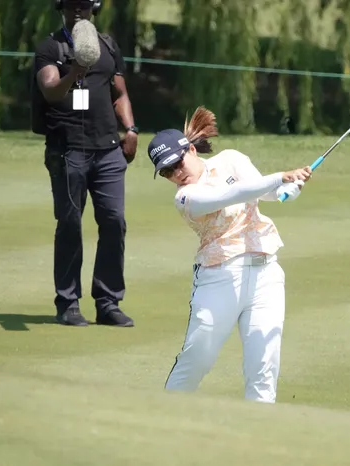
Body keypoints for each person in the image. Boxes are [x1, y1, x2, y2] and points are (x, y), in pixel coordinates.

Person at [146, 106, 312, 403]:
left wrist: (290, 187)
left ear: (191, 150)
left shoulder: (231, 160)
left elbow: (267, 193)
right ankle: (165, 415)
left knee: (264, 365)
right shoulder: (185, 197)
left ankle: (257, 429)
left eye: (177, 163)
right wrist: (280, 177)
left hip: (266, 275)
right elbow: (230, 195)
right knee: (197, 359)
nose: (177, 173)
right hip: (219, 279)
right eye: (168, 171)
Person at [32, 0, 138, 327]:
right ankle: (68, 303)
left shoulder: (107, 45)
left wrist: (131, 129)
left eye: (83, 4)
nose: (77, 10)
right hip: (68, 150)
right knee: (70, 225)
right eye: (71, 4)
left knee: (114, 222)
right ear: (61, 8)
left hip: (108, 151)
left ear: (94, 7)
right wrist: (76, 70)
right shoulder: (51, 48)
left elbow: (119, 93)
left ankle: (108, 303)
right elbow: (51, 91)